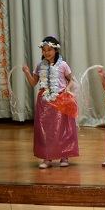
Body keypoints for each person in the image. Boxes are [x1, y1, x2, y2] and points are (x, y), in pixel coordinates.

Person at [23, 36, 79, 169]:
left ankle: (64, 156)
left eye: (49, 50)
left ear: (56, 50)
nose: (46, 52)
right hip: (44, 102)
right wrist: (27, 72)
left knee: (62, 129)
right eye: (44, 50)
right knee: (45, 130)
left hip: (60, 100)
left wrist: (68, 88)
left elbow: (71, 80)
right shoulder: (39, 66)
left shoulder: (63, 65)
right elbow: (33, 83)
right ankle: (47, 157)